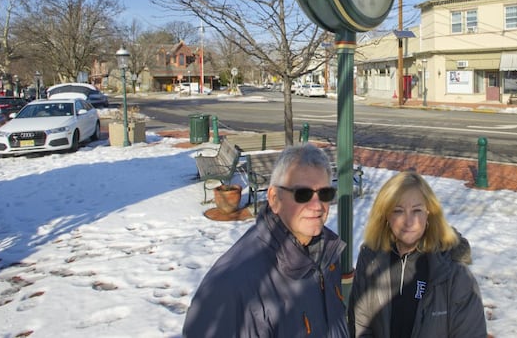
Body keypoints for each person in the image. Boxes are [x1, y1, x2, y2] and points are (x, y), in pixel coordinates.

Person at [182, 143, 349, 337]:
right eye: (302, 194)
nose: (317, 205)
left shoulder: (326, 256)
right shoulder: (234, 287)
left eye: (325, 193)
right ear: (274, 198)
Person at [348, 171, 487, 338]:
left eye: (417, 210)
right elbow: (360, 325)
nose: (409, 221)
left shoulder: (454, 272)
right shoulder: (371, 259)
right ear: (385, 215)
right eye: (398, 211)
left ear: (429, 212)